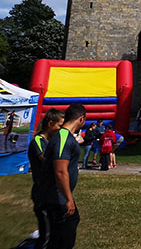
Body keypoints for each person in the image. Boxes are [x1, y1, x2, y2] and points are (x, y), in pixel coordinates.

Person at [44, 103, 87, 249]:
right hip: (58, 198)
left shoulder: (65, 136)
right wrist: (69, 199)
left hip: (60, 196)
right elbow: (60, 171)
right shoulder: (63, 138)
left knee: (60, 237)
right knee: (62, 239)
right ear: (81, 119)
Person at [29, 108, 64, 249]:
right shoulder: (38, 140)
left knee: (56, 233)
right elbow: (46, 160)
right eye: (60, 126)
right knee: (46, 235)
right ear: (50, 124)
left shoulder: (51, 141)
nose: (62, 130)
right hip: (42, 195)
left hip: (53, 194)